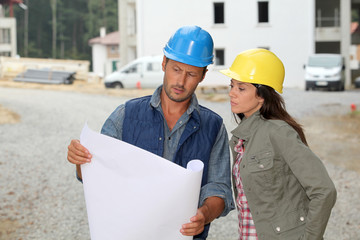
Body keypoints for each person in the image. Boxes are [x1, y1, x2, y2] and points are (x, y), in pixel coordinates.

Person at [67, 25, 234, 239]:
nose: (181, 82)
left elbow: (219, 188)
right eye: (176, 70)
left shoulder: (213, 127)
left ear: (203, 75)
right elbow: (95, 174)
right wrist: (80, 161)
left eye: (191, 74)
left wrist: (204, 215)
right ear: (164, 63)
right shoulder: (125, 115)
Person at [220, 48, 337, 240]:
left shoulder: (279, 132)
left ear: (262, 95)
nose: (232, 93)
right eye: (231, 85)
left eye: (241, 88)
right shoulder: (240, 139)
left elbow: (324, 191)